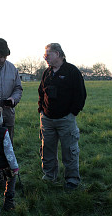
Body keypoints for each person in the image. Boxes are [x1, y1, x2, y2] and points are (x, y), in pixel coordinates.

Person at [38, 43, 87, 191]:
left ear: (58, 54)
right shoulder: (47, 72)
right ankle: (49, 176)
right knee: (47, 149)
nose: (45, 57)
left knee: (70, 150)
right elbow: (41, 92)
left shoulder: (72, 71)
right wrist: (41, 109)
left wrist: (73, 113)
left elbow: (81, 94)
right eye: (45, 55)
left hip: (66, 119)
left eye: (48, 54)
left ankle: (72, 179)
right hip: (46, 119)